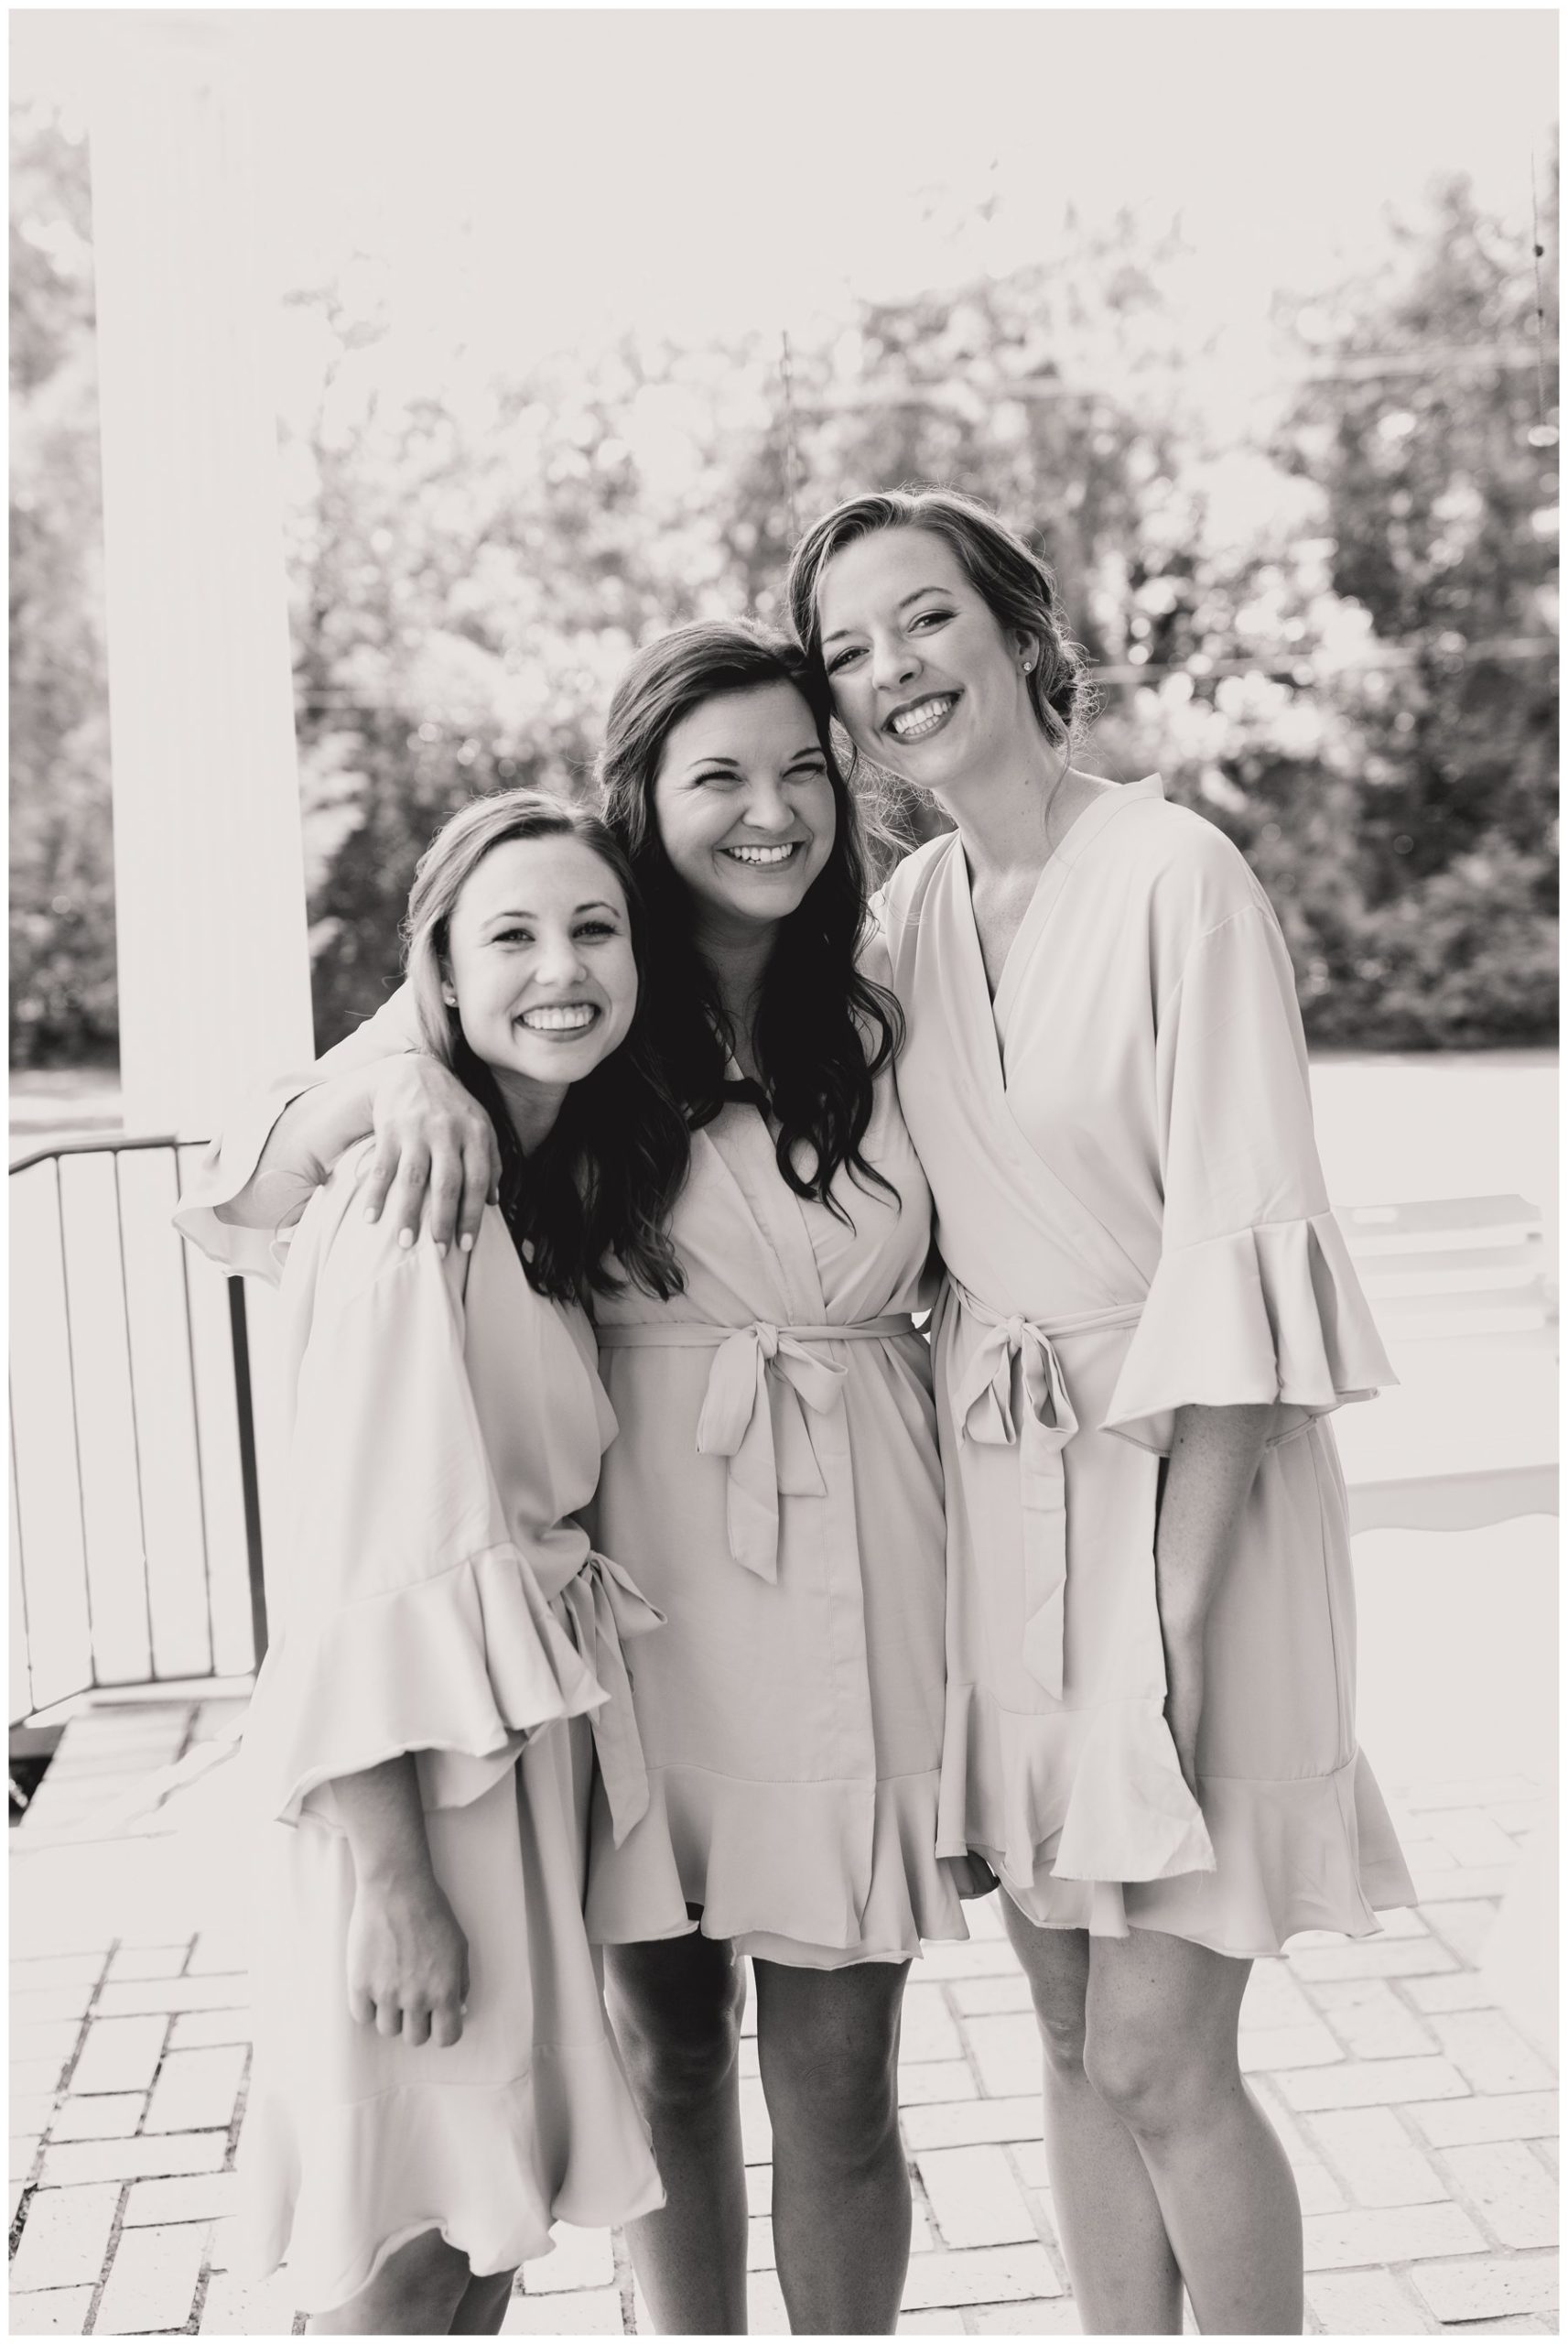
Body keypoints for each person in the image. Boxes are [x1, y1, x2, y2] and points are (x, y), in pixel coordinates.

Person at [181, 625, 975, 2336]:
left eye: (800, 771)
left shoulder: (898, 992)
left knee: (842, 2083)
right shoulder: (580, 968)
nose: (766, 813)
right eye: (715, 778)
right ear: (643, 803)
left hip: (859, 1586)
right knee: (659, 2049)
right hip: (632, 1610)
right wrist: (396, 1071)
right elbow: (268, 1166)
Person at [785, 487, 1416, 2336]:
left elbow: (1239, 1258)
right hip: (1002, 1502)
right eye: (845, 650)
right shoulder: (904, 911)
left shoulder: (1172, 879)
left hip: (1184, 1497)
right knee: (1067, 2034)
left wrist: (1170, 1613)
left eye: (920, 619)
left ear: (1014, 624)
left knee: (1157, 2044)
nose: (891, 672)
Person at [175, 792, 679, 2332]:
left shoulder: (530, 1188)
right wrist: (396, 1887)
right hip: (409, 1793)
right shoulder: (409, 1213)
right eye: (510, 936)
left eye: (593, 928)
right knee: (408, 2258)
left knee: (473, 2235)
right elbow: (345, 1575)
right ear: (440, 980)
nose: (561, 968)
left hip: (501, 1773)